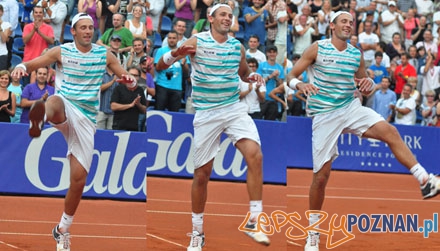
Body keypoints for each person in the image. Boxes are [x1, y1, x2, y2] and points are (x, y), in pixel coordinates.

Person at [286, 11, 440, 251]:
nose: (348, 25)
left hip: (349, 107)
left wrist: (367, 85)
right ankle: (313, 232)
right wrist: (301, 84)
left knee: (389, 131)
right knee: (321, 177)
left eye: (351, 22)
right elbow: (290, 76)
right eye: (343, 21)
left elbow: (363, 85)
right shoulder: (317, 48)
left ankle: (424, 179)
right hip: (324, 115)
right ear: (332, 26)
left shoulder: (355, 54)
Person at [11, 13, 136, 251]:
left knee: (78, 181)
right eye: (83, 28)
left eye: (91, 27)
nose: (89, 31)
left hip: (87, 120)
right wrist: (20, 66)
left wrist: (129, 82)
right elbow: (36, 62)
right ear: (74, 31)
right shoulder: (62, 51)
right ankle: (42, 115)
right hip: (66, 104)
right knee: (56, 102)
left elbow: (123, 74)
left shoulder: (104, 54)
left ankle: (62, 230)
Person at [155, 4, 270, 250]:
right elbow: (159, 66)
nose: (228, 18)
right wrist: (175, 54)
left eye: (230, 15)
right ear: (210, 18)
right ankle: (197, 231)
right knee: (202, 175)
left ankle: (255, 218)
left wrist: (253, 77)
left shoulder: (236, 46)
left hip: (233, 109)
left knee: (255, 155)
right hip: (206, 114)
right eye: (223, 15)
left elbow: (244, 73)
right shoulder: (196, 41)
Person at [154, 30, 188, 112]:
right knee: (159, 112)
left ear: (178, 39)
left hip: (177, 87)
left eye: (174, 38)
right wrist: (166, 62)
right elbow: (157, 68)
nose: (171, 40)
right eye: (169, 38)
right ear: (167, 39)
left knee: (174, 114)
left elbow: (186, 73)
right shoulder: (161, 51)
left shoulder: (182, 52)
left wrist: (184, 64)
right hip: (162, 85)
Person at [110, 66, 147, 131]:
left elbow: (144, 110)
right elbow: (113, 106)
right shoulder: (118, 88)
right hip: (119, 126)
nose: (133, 77)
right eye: (131, 75)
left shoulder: (140, 90)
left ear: (139, 77)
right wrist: (130, 105)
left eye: (135, 75)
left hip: (134, 127)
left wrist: (138, 104)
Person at [257, 45, 285, 120]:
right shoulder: (261, 65)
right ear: (267, 54)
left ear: (277, 54)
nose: (272, 54)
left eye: (274, 52)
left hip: (273, 99)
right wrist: (271, 76)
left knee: (270, 122)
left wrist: (276, 78)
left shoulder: (280, 68)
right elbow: (258, 81)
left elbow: (281, 86)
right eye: (270, 52)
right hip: (262, 98)